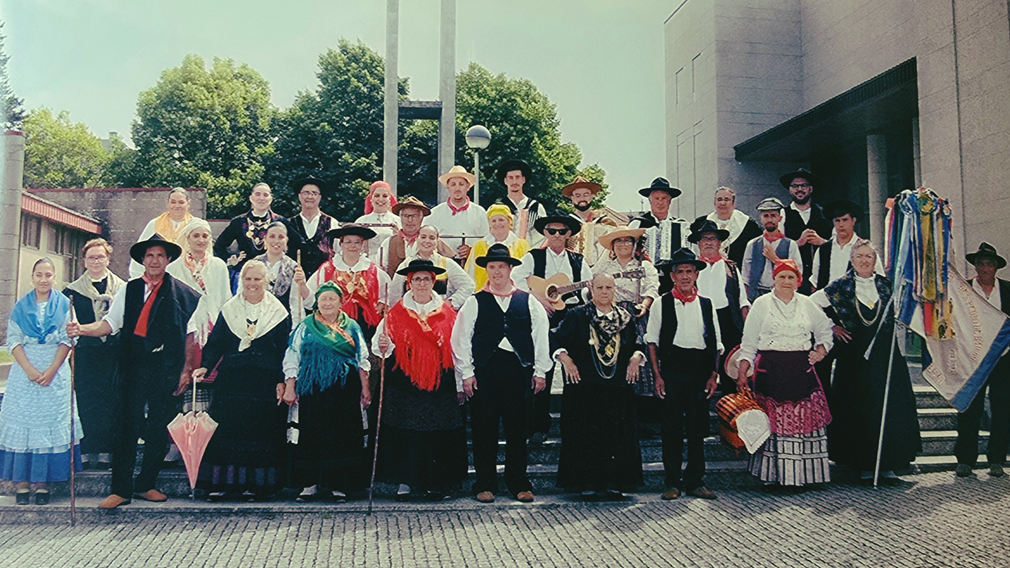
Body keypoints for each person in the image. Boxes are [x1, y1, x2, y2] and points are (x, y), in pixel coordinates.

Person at [68, 235, 202, 509]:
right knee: (125, 425)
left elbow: (191, 335)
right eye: (150, 255)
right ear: (143, 260)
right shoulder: (128, 290)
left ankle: (146, 484)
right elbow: (109, 324)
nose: (155, 260)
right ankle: (121, 489)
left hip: (165, 364)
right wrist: (81, 329)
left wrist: (185, 370)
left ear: (167, 260)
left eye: (160, 256)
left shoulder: (182, 293)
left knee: (158, 426)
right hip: (132, 364)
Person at [810, 240, 921, 484]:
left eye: (868, 257)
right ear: (852, 260)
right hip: (854, 360)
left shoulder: (887, 285)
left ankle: (888, 464)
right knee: (859, 407)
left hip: (885, 358)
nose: (864, 261)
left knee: (887, 407)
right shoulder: (841, 286)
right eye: (859, 256)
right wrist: (832, 326)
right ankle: (863, 464)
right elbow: (811, 304)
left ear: (875, 260)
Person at [451, 244, 551, 503]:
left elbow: (541, 337)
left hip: (519, 371)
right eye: (492, 267)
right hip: (485, 371)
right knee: (485, 429)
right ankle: (485, 483)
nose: (496, 271)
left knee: (518, 430)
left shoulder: (528, 301)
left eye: (501, 267)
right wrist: (466, 373)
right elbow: (460, 338)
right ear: (487, 270)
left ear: (510, 269)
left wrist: (540, 370)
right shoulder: (474, 301)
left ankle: (518, 482)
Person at [191, 260, 292, 501]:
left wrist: (281, 380)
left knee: (260, 433)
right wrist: (204, 365)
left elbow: (283, 350)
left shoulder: (278, 312)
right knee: (228, 430)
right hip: (232, 380)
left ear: (266, 281)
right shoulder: (229, 309)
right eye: (248, 279)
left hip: (264, 382)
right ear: (241, 281)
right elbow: (217, 343)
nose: (253, 283)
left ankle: (258, 486)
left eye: (258, 279)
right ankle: (226, 485)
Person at [373, 259, 467, 501]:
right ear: (409, 282)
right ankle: (406, 482)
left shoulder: (448, 314)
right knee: (406, 433)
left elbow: (458, 350)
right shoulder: (395, 314)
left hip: (440, 382)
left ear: (433, 282)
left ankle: (437, 483)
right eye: (417, 279)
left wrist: (459, 383)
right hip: (405, 382)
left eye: (427, 279)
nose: (422, 283)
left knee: (438, 433)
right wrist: (384, 345)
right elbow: (379, 346)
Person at [736, 259, 834, 490]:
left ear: (798, 280)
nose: (787, 281)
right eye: (782, 277)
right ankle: (775, 477)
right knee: (774, 426)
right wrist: (742, 372)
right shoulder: (761, 304)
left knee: (802, 423)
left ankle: (805, 477)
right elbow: (749, 343)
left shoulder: (808, 304)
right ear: (774, 279)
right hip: (770, 372)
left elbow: (825, 331)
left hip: (801, 371)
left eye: (791, 277)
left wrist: (820, 351)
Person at [552, 274, 645, 500]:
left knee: (616, 435)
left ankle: (615, 483)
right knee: (585, 435)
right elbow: (556, 341)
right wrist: (566, 359)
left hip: (617, 387)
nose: (604, 291)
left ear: (615, 290)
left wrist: (635, 358)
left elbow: (637, 343)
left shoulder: (625, 317)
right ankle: (587, 483)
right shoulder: (577, 316)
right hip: (584, 387)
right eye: (600, 287)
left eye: (609, 287)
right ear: (591, 289)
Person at [0, 258, 80, 505]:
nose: (43, 279)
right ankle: (22, 482)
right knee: (23, 423)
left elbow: (69, 339)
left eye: (48, 275)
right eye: (39, 275)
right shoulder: (20, 306)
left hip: (55, 370)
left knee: (49, 422)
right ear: (32, 277)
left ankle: (42, 482)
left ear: (54, 277)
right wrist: (31, 371)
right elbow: (13, 340)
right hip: (26, 372)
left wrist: (52, 370)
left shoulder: (65, 304)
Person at [282, 281, 371, 502]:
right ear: (316, 303)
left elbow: (362, 358)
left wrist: (365, 387)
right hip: (313, 388)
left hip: (344, 389)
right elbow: (293, 356)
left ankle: (339, 485)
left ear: (341, 302)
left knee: (342, 435)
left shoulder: (352, 327)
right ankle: (309, 485)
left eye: (332, 298)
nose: (328, 303)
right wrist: (290, 386)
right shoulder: (305, 326)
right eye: (323, 299)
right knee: (312, 435)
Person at [646, 249, 723, 500]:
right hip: (672, 370)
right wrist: (658, 376)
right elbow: (652, 342)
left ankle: (695, 481)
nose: (685, 276)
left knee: (697, 428)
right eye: (680, 272)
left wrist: (713, 375)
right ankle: (672, 482)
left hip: (699, 370)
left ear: (696, 274)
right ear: (672, 276)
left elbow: (715, 343)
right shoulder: (661, 303)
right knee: (671, 429)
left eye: (690, 271)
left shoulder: (707, 304)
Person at [512, 212, 594, 443]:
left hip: (572, 318)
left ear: (569, 234)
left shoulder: (578, 261)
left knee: (575, 369)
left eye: (562, 231)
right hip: (541, 317)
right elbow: (516, 280)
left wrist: (591, 289)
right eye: (551, 231)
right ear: (545, 233)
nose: (556, 236)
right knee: (541, 370)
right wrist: (537, 299)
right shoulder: (532, 257)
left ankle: (574, 424)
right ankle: (538, 426)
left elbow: (587, 291)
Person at [63, 238, 125, 470]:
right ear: (84, 262)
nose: (96, 261)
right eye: (91, 257)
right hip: (86, 354)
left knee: (111, 400)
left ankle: (108, 451)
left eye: (100, 257)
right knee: (86, 401)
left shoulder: (122, 288)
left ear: (108, 259)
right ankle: (88, 450)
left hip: (113, 353)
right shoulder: (71, 292)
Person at [954, 242, 1010, 478]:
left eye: (990, 264)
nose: (985, 268)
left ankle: (996, 459)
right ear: (975, 266)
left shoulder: (1008, 290)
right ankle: (965, 460)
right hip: (973, 360)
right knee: (969, 409)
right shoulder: (964, 290)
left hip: (1003, 359)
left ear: (996, 267)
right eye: (981, 263)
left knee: (1003, 409)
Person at [595, 228, 660, 402]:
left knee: (642, 357)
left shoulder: (644, 266)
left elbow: (652, 288)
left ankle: (646, 411)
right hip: (610, 316)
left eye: (627, 241)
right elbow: (591, 289)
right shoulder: (604, 267)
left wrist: (644, 306)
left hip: (637, 314)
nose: (623, 245)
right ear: (612, 246)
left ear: (634, 244)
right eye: (618, 241)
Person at [298, 224, 391, 341]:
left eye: (357, 242)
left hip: (366, 329)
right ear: (341, 244)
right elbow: (311, 299)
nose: (353, 246)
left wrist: (380, 305)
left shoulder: (374, 271)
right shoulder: (327, 269)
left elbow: (388, 295)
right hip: (333, 327)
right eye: (348, 242)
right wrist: (301, 284)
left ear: (362, 245)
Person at [690, 219, 749, 393]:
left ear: (719, 243)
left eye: (713, 238)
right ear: (699, 243)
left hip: (727, 321)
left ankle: (729, 411)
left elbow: (743, 302)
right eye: (705, 238)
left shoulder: (731, 268)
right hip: (699, 321)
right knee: (701, 368)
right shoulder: (691, 268)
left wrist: (745, 332)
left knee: (729, 369)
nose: (709, 242)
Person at [214, 182, 286, 293]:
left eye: (265, 195)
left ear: (271, 199)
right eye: (257, 194)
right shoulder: (239, 221)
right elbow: (219, 245)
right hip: (244, 273)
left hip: (273, 274)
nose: (261, 198)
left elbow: (297, 245)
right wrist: (233, 258)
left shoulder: (280, 221)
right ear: (251, 198)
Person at [389, 225, 475, 310]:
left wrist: (451, 303)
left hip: (439, 316)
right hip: (411, 315)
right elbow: (395, 294)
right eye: (423, 237)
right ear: (416, 239)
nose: (427, 241)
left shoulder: (447, 263)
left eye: (431, 238)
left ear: (438, 241)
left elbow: (468, 286)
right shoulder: (406, 264)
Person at [629, 177, 691, 286]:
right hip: (645, 279)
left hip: (674, 281)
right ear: (650, 200)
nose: (660, 202)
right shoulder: (637, 224)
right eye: (656, 198)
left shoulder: (682, 226)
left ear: (670, 201)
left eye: (664, 198)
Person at [810, 200, 883, 291]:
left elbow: (879, 279)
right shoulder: (824, 249)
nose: (841, 225)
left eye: (845, 220)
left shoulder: (866, 249)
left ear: (853, 221)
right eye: (837, 221)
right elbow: (815, 282)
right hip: (826, 301)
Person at [780, 169, 832, 294]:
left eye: (804, 185)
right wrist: (797, 243)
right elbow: (778, 248)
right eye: (795, 186)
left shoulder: (825, 214)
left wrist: (822, 242)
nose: (799, 189)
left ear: (811, 189)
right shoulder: (782, 214)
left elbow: (838, 244)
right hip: (793, 278)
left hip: (822, 276)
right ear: (790, 189)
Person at [741, 198, 802, 303]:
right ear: (761, 218)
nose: (769, 220)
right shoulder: (753, 244)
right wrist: (745, 301)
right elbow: (745, 275)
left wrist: (775, 260)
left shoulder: (790, 244)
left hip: (781, 294)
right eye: (766, 216)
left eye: (773, 216)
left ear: (780, 218)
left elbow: (797, 272)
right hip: (757, 294)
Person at [167, 218, 232, 317]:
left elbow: (225, 297)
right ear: (188, 238)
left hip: (212, 320)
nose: (201, 240)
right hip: (184, 321)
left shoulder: (219, 265)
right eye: (196, 236)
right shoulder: (173, 267)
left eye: (205, 236)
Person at [425, 165, 489, 262]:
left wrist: (472, 250)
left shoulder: (480, 213)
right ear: (448, 187)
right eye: (453, 184)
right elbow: (425, 240)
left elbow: (487, 240)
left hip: (472, 263)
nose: (457, 188)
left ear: (468, 187)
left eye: (461, 184)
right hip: (442, 263)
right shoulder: (434, 213)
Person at [379, 195, 455, 277]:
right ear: (400, 218)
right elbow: (380, 271)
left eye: (414, 216)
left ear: (421, 218)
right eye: (406, 216)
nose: (410, 220)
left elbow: (451, 265)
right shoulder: (388, 243)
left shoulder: (433, 242)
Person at [129, 187, 195, 279]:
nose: (177, 206)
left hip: (187, 277)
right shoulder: (155, 224)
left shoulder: (195, 225)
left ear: (188, 204)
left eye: (181, 202)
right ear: (167, 203)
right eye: (173, 202)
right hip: (159, 277)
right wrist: (137, 278)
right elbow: (143, 252)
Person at [465, 203, 531, 290]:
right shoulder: (479, 246)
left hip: (515, 296)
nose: (497, 223)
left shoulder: (522, 245)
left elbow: (530, 275)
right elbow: (470, 273)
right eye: (493, 221)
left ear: (509, 222)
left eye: (501, 220)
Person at [693, 186, 763, 266]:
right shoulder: (700, 224)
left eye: (726, 200)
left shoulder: (749, 225)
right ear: (714, 202)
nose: (722, 203)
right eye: (719, 199)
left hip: (738, 271)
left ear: (733, 203)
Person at [287, 177, 339, 279]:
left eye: (314, 193)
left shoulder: (332, 223)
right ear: (299, 196)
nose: (310, 196)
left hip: (324, 281)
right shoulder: (289, 225)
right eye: (306, 193)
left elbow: (339, 253)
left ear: (320, 197)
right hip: (294, 283)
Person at [563, 176, 618, 267]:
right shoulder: (565, 224)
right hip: (572, 270)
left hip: (602, 269)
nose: (582, 198)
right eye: (577, 195)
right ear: (571, 198)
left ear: (592, 196)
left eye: (586, 194)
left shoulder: (606, 222)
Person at [253, 221, 304, 314]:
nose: (276, 241)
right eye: (272, 236)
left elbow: (296, 303)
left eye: (281, 237)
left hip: (283, 321)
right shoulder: (254, 265)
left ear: (286, 240)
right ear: (265, 239)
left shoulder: (293, 267)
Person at [496, 159, 546, 247]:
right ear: (505, 181)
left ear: (523, 179)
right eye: (511, 178)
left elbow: (543, 236)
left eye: (518, 177)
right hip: (505, 255)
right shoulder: (497, 208)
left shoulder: (536, 207)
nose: (514, 182)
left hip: (530, 254)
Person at [355, 180, 401, 254]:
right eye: (377, 195)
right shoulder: (361, 221)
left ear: (389, 199)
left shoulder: (398, 221)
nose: (380, 199)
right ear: (371, 199)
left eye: (385, 196)